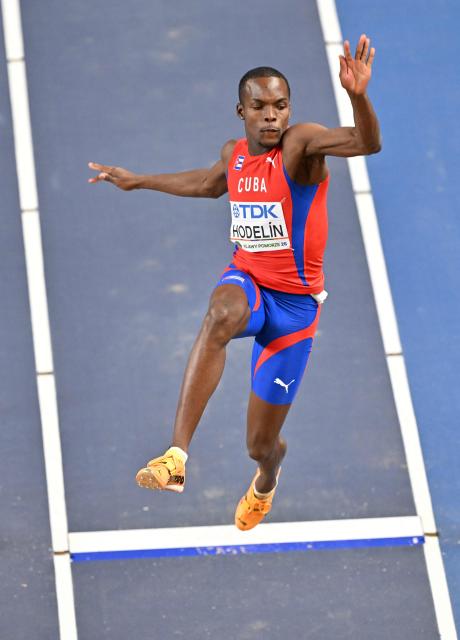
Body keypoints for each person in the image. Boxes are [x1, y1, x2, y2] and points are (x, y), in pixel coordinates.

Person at [88, 34, 381, 531]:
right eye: (260, 106)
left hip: (294, 311)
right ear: (240, 111)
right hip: (248, 282)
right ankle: (176, 455)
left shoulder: (302, 145)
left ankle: (267, 477)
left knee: (259, 444)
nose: (272, 116)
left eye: (280, 105)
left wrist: (357, 95)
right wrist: (138, 180)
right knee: (220, 311)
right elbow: (207, 183)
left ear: (290, 110)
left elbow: (365, 142)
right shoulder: (236, 156)